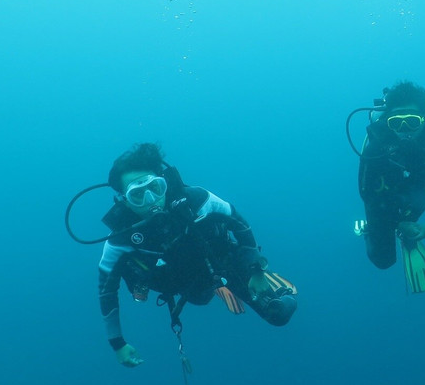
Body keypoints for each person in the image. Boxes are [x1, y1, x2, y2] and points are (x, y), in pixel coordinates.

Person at [97, 143, 297, 366]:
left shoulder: (197, 200)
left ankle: (261, 286)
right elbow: (106, 292)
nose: (150, 200)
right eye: (137, 195)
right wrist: (118, 344)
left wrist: (257, 271)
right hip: (187, 286)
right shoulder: (119, 241)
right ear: (124, 200)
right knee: (200, 299)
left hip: (222, 264)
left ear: (164, 182)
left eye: (155, 188)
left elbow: (240, 224)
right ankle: (220, 289)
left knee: (279, 315)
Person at [356, 81, 425, 292]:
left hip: (415, 191)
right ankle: (375, 228)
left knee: (421, 201)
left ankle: (407, 226)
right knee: (382, 261)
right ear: (387, 121)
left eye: (411, 122)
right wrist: (395, 223)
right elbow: (367, 194)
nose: (404, 131)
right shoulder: (376, 148)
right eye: (396, 123)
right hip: (382, 197)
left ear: (424, 118)